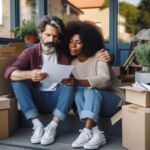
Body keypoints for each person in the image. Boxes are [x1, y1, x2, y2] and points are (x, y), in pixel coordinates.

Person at [4, 15, 111, 146]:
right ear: (40, 34)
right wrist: (29, 74)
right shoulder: (30, 53)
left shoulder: (65, 52)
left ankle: (52, 127)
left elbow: (87, 50)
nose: (51, 40)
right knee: (17, 80)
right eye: (47, 35)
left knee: (71, 82)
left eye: (55, 36)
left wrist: (109, 55)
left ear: (59, 37)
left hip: (58, 99)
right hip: (37, 99)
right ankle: (37, 126)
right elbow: (9, 72)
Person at [61, 21, 124, 149]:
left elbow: (105, 80)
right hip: (95, 102)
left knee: (89, 89)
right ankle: (96, 133)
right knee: (78, 92)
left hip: (114, 101)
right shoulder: (73, 63)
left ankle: (86, 131)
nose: (73, 46)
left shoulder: (99, 55)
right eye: (70, 42)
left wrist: (79, 82)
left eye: (78, 42)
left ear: (88, 43)